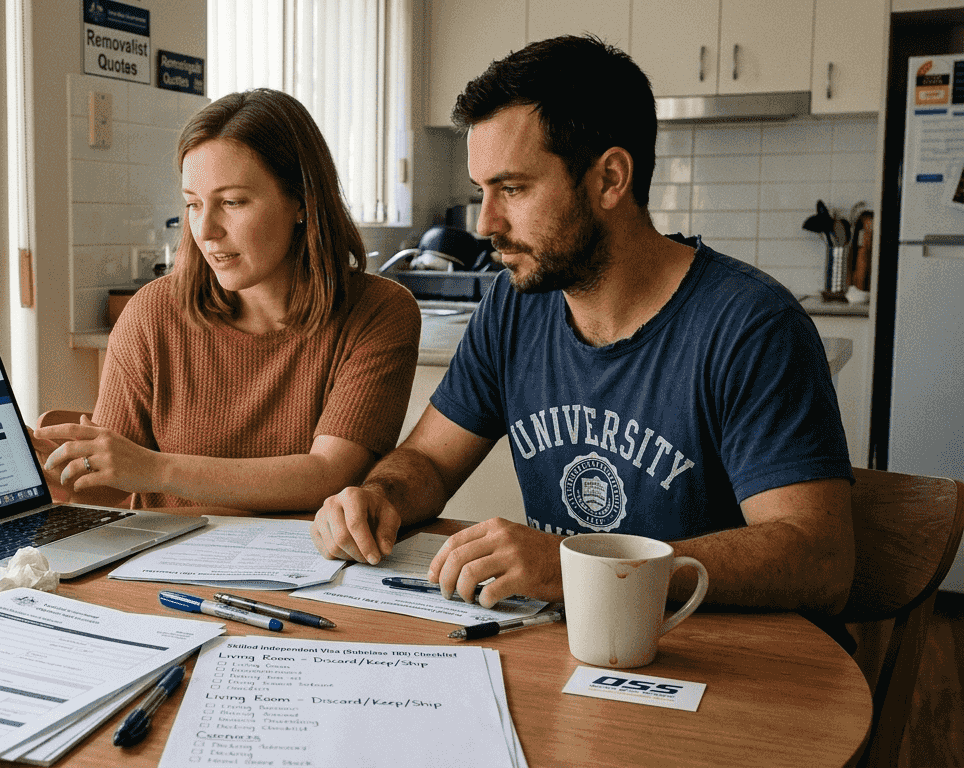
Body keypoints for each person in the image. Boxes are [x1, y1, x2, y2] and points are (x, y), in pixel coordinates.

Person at [310, 35, 856, 617]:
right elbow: (431, 461)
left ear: (610, 179)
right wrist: (378, 496)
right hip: (569, 651)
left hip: (716, 662)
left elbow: (820, 561)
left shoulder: (750, 326)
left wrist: (584, 567)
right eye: (482, 192)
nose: (487, 222)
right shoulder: (514, 309)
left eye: (513, 189)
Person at [34, 88, 420, 512]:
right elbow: (108, 487)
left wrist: (156, 469)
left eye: (232, 202)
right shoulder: (151, 312)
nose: (207, 230)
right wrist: (56, 472)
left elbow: (329, 475)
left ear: (302, 202)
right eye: (193, 204)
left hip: (310, 572)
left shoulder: (380, 312)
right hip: (160, 570)